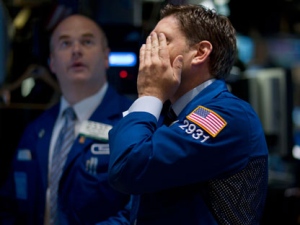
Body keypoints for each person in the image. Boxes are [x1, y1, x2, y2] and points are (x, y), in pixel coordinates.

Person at [108, 3, 269, 225]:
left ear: (200, 53)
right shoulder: (170, 115)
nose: (148, 51)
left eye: (161, 41)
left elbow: (127, 168)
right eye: (149, 42)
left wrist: (150, 94)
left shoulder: (228, 115)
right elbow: (138, 213)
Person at [0, 14, 133, 225]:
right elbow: (8, 207)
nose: (76, 50)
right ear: (52, 63)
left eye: (87, 42)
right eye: (65, 43)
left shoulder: (133, 121)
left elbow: (140, 211)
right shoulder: (35, 130)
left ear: (106, 57)